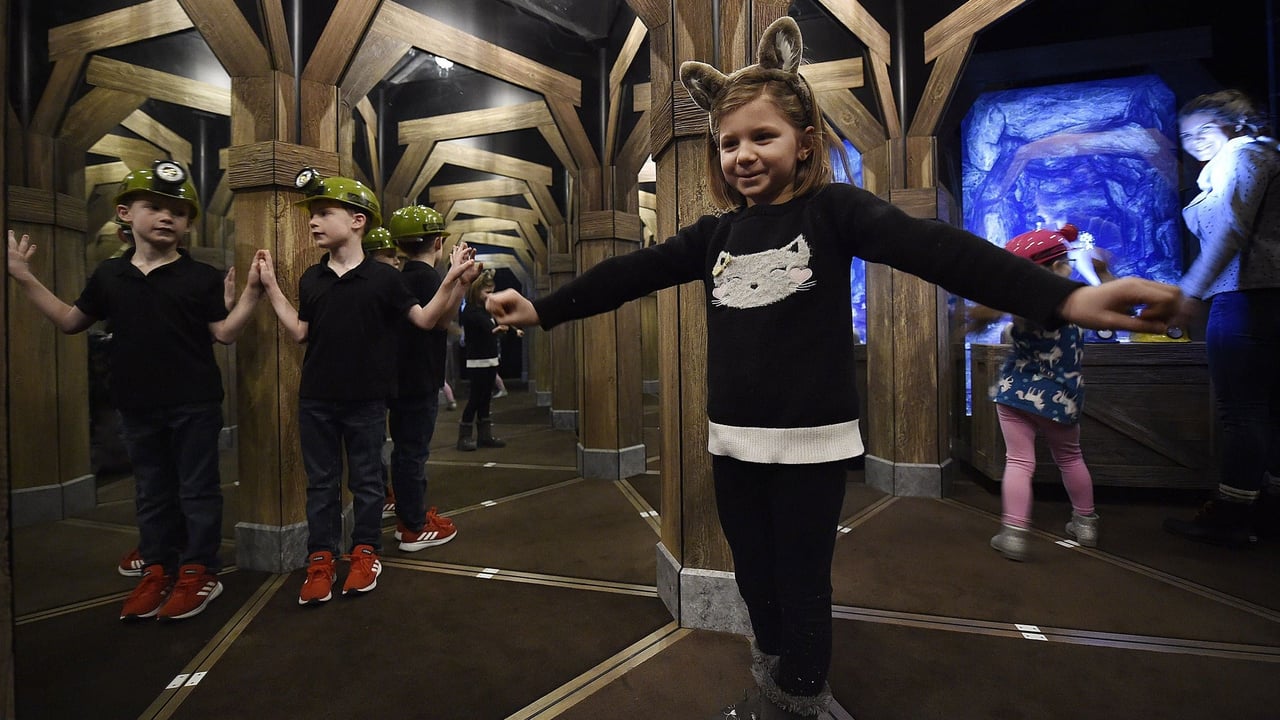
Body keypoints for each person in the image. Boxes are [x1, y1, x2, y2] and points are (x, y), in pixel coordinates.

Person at [484, 17, 1181, 719]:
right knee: (754, 578)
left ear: (805, 141)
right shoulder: (714, 234)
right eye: (728, 143)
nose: (743, 155)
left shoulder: (833, 211)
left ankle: (799, 697)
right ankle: (774, 676)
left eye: (763, 136)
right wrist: (543, 309)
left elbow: (938, 249)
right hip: (733, 444)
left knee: (802, 584)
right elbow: (628, 274)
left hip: (811, 448)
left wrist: (1067, 297)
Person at [7, 160, 264, 621]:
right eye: (154, 207)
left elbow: (224, 333)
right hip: (136, 404)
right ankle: (158, 566)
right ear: (125, 213)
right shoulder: (110, 275)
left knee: (197, 489)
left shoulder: (201, 276)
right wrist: (24, 277)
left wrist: (250, 294)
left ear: (188, 225)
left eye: (177, 212)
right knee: (151, 490)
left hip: (194, 403)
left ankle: (199, 569)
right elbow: (70, 321)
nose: (167, 217)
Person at [255, 168, 479, 606]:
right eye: (313, 214)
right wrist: (271, 288)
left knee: (368, 482)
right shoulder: (311, 278)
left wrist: (453, 279)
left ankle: (365, 553)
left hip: (367, 402)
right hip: (316, 400)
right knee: (321, 484)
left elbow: (425, 320)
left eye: (325, 213)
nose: (314, 221)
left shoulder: (386, 278)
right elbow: (300, 332)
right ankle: (321, 559)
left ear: (358, 220)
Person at [1164, 89, 1280, 546]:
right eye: (1186, 136)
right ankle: (1267, 510)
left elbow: (1232, 227)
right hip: (1266, 298)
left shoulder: (1241, 156)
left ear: (1233, 124)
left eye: (1204, 130)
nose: (1195, 142)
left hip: (1244, 296)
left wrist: (1189, 291)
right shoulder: (1261, 156)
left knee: (1241, 410)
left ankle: (1231, 514)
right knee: (1269, 410)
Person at [987, 225, 1103, 561]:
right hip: (1062, 398)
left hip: (1015, 395)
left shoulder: (1020, 309)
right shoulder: (1079, 308)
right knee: (1070, 457)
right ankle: (1085, 524)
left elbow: (1009, 337)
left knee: (1019, 461)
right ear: (1057, 267)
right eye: (1067, 261)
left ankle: (1014, 534)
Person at [386, 204, 460, 551]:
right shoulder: (430, 279)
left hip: (397, 378)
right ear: (439, 242)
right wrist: (456, 280)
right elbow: (441, 323)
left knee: (404, 450)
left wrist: (458, 282)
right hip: (421, 378)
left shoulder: (398, 279)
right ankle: (412, 527)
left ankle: (408, 515)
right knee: (413, 453)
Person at [457, 269, 515, 451]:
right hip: (477, 362)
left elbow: (492, 330)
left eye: (492, 291)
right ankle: (464, 437)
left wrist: (502, 330)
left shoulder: (486, 310)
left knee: (486, 399)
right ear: (477, 291)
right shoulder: (470, 312)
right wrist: (496, 331)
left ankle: (485, 436)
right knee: (475, 399)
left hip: (490, 360)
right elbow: (483, 332)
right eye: (487, 292)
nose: (491, 295)